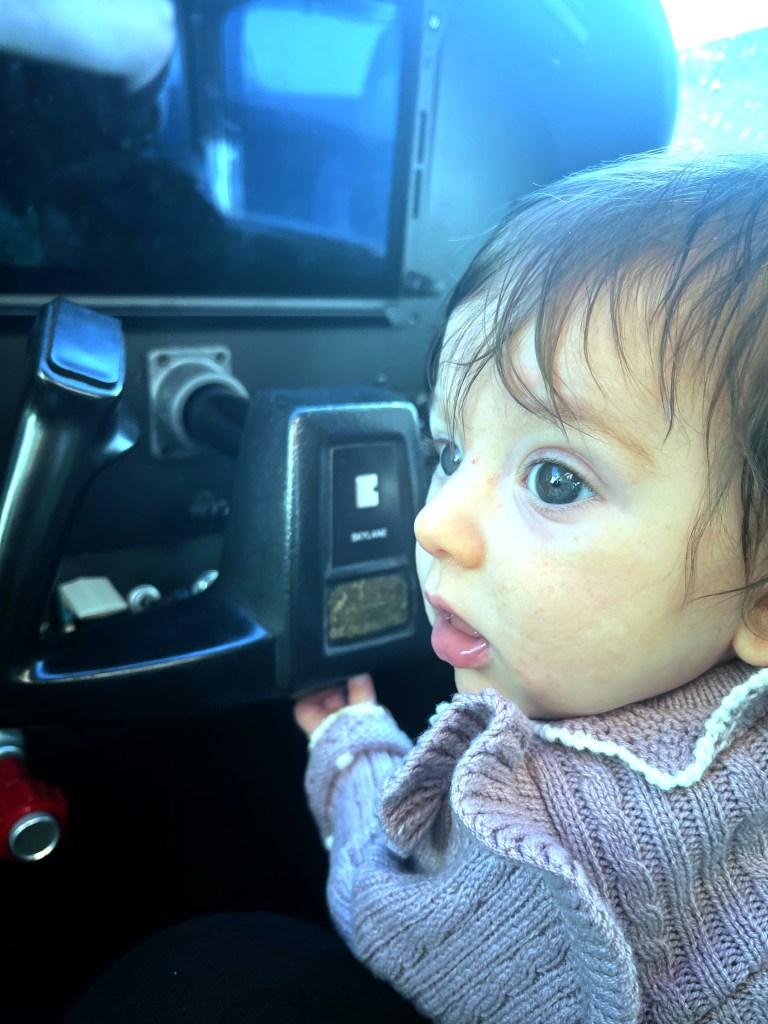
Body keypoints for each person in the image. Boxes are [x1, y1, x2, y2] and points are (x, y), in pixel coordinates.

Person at [293, 149, 768, 1023]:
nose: (433, 524)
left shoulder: (541, 814)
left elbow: (395, 917)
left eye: (555, 479)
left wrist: (351, 751)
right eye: (448, 450)